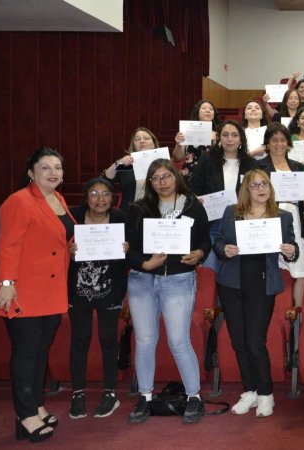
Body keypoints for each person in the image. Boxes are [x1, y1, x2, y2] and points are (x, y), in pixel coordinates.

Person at [0, 147, 75, 443]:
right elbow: (8, 246)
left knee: (41, 351)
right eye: (45, 168)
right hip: (23, 291)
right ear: (31, 172)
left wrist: (71, 248)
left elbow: (55, 240)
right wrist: (6, 283)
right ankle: (25, 414)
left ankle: (36, 406)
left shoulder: (58, 199)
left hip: (51, 291)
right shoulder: (18, 201)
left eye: (58, 167)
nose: (53, 172)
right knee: (26, 354)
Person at [125, 158, 211, 424]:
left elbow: (205, 241)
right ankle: (145, 396)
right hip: (142, 280)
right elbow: (126, 246)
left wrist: (199, 253)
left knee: (178, 341)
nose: (162, 182)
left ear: (176, 177)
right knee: (144, 341)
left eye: (166, 176)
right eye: (156, 178)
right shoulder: (138, 208)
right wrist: (144, 263)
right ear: (149, 183)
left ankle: (194, 396)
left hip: (178, 279)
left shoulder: (193, 206)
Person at [214, 169, 298, 417]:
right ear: (246, 190)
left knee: (254, 342)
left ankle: (265, 393)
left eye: (265, 184)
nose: (261, 189)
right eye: (254, 185)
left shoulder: (282, 216)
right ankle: (249, 390)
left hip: (261, 285)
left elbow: (292, 251)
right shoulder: (232, 212)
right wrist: (224, 250)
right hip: (231, 283)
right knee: (238, 341)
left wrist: (290, 250)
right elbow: (217, 242)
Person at [67, 178, 128, 420]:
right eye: (94, 193)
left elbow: (132, 254)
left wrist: (126, 250)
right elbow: (54, 250)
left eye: (105, 194)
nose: (100, 199)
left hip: (110, 288)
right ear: (86, 197)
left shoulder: (121, 219)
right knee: (80, 339)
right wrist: (67, 253)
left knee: (108, 339)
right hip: (78, 288)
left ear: (113, 198)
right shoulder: (72, 218)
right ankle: (78, 394)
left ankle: (110, 392)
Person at [190, 120, 257, 272]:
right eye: (225, 135)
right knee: (211, 271)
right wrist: (197, 199)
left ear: (241, 139)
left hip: (241, 223)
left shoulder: (250, 163)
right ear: (220, 138)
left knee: (234, 273)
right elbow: (194, 187)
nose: (230, 139)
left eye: (234, 135)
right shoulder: (207, 159)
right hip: (213, 223)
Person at [258, 123, 304, 309]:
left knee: (300, 270)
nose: (279, 144)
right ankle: (273, 312)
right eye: (274, 140)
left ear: (288, 143)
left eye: (282, 140)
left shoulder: (298, 167)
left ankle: (295, 313)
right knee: (273, 268)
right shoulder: (259, 167)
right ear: (267, 143)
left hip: (295, 221)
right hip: (270, 220)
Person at [102, 127, 161, 211]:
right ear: (133, 146)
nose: (142, 141)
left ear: (154, 143)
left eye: (146, 138)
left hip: (158, 211)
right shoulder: (128, 165)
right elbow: (105, 180)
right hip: (130, 212)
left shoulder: (163, 163)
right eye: (137, 139)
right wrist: (118, 163)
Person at [173, 99, 221, 184]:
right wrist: (178, 145)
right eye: (204, 108)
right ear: (197, 112)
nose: (207, 110)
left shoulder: (219, 134)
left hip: (211, 174)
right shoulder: (187, 130)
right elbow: (178, 158)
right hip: (190, 174)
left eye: (211, 109)